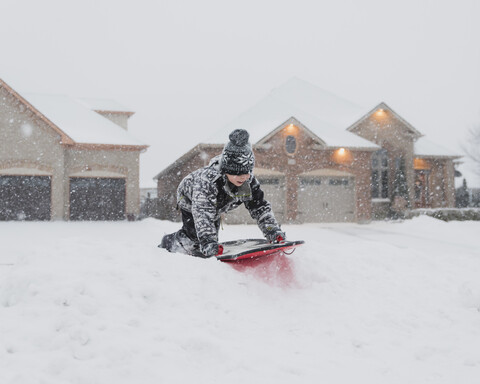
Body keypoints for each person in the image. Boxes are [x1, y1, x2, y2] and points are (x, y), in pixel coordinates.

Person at [159, 129, 285, 258]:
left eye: (246, 172)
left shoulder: (249, 181)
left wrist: (272, 230)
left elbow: (260, 207)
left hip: (217, 203)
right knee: (196, 237)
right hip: (189, 198)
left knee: (211, 240)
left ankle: (207, 244)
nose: (243, 177)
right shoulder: (207, 181)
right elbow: (203, 213)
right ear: (226, 170)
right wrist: (208, 241)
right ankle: (169, 242)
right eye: (237, 173)